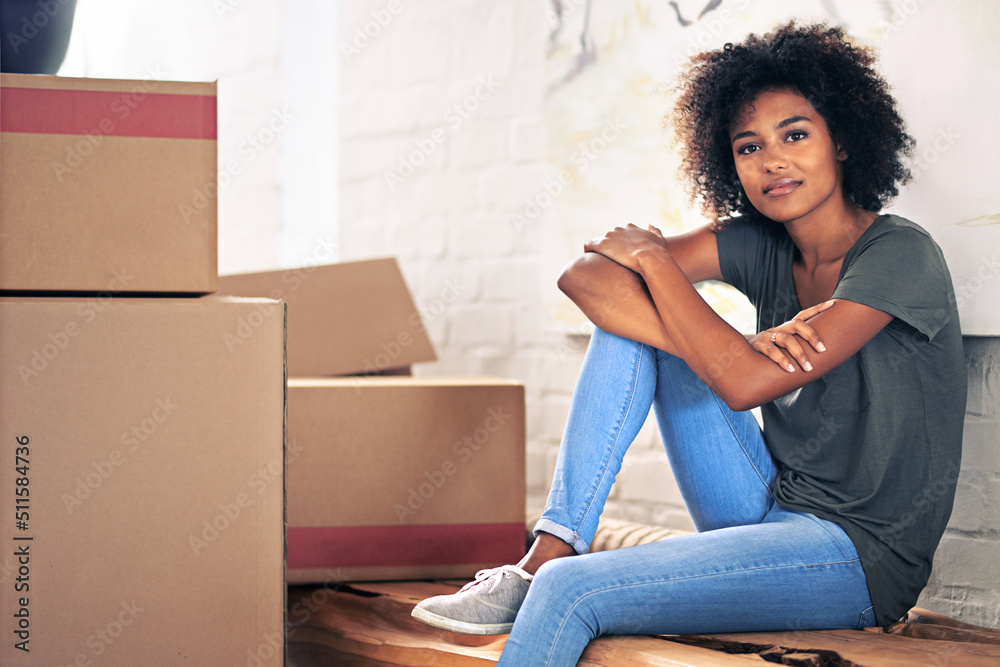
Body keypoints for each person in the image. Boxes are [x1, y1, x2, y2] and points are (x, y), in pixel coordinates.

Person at [411, 20, 966, 665]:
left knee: (570, 594)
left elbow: (742, 384)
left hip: (855, 557)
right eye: (748, 146)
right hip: (766, 502)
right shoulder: (762, 243)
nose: (773, 160)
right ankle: (551, 546)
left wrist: (661, 267)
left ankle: (551, 571)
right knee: (632, 323)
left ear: (841, 140)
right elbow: (584, 277)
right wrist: (710, 325)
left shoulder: (901, 254)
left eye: (795, 134)